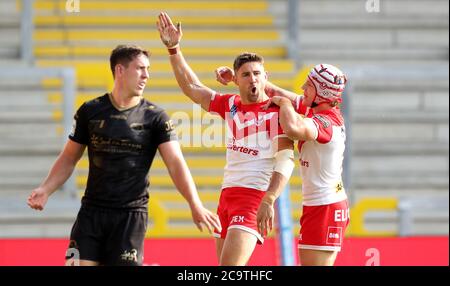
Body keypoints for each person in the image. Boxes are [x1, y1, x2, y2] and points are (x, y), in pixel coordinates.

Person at [27, 44, 221, 266]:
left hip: (130, 216)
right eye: (140, 68)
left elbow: (176, 163)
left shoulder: (156, 117)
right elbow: (69, 157)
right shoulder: (90, 111)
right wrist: (45, 189)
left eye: (148, 69)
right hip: (91, 214)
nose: (146, 75)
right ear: (120, 70)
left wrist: (194, 204)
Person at [157, 12, 295, 266]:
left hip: (254, 197)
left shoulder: (276, 111)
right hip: (227, 197)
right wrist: (174, 49)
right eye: (246, 74)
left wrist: (270, 198)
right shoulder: (230, 103)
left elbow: (286, 159)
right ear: (236, 79)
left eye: (257, 73)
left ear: (266, 76)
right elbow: (192, 88)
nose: (253, 78)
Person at [216, 64, 350, 266]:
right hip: (319, 204)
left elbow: (293, 128)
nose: (303, 87)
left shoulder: (325, 122)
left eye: (310, 85)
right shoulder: (317, 108)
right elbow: (273, 91)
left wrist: (285, 104)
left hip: (325, 206)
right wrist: (238, 79)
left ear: (321, 93)